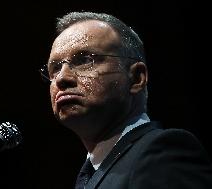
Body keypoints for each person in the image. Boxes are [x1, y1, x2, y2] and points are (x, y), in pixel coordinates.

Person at [39, 11, 212, 189]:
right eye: (55, 68)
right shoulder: (89, 174)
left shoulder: (163, 153)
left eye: (84, 60)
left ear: (137, 78)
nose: (61, 78)